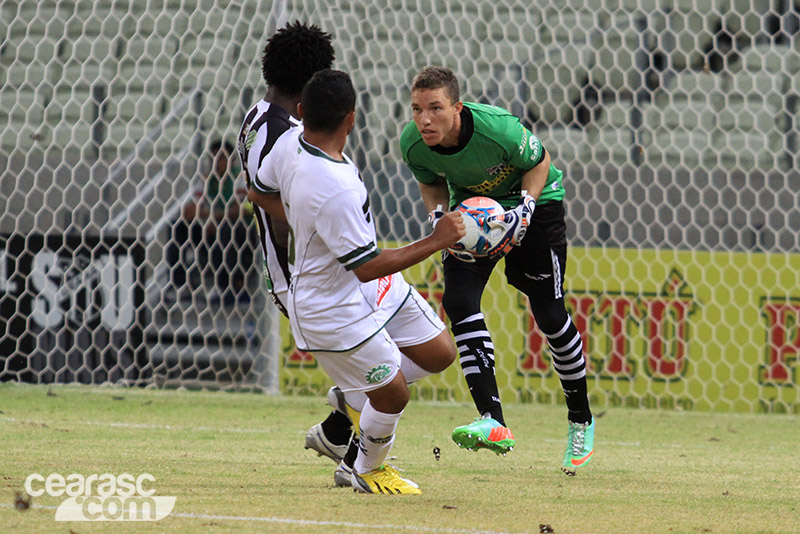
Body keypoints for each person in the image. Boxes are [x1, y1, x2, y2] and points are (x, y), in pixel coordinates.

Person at [257, 69, 465, 493]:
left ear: (301, 113)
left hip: (365, 286)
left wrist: (307, 221)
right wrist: (437, 239)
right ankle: (364, 469)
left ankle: (353, 398)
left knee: (440, 352)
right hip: (331, 308)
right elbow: (367, 265)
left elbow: (258, 191)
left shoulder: (287, 144)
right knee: (393, 395)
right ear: (352, 119)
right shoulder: (335, 189)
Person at [400, 65, 595, 475]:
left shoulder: (498, 129)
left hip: (535, 205)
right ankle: (493, 420)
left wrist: (524, 210)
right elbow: (431, 182)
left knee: (550, 316)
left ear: (457, 107)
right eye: (417, 109)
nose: (424, 119)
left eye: (435, 108)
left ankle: (581, 419)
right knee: (457, 299)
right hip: (474, 216)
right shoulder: (413, 143)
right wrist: (438, 217)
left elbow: (539, 163)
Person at [167, 139, 256, 306]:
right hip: (210, 229)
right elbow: (189, 211)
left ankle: (227, 286)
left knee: (226, 228)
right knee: (177, 227)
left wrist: (211, 217)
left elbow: (240, 210)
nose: (216, 162)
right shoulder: (206, 180)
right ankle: (178, 284)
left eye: (221, 157)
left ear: (232, 159)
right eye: (213, 157)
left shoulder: (240, 177)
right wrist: (210, 218)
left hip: (240, 233)